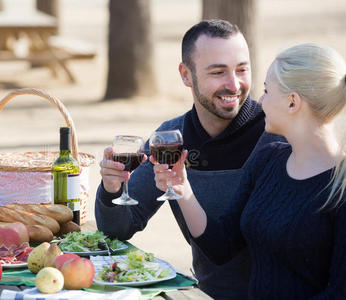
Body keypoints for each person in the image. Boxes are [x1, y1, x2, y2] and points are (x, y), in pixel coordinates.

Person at [96, 19, 283, 299]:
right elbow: (120, 227)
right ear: (186, 75)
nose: (234, 84)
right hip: (204, 294)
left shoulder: (275, 133)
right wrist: (112, 190)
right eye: (218, 72)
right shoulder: (170, 139)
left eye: (242, 70)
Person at [152, 43, 346, 299]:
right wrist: (182, 188)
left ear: (292, 102)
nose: (260, 100)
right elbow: (221, 247)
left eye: (267, 91)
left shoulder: (340, 189)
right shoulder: (268, 160)